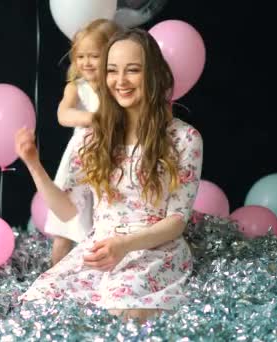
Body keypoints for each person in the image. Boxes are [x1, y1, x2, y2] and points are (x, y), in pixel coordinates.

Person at [15, 28, 203, 322]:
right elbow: (66, 211)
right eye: (112, 71)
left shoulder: (184, 139)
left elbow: (176, 221)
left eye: (133, 70)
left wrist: (125, 245)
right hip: (98, 249)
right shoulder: (94, 136)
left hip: (152, 253)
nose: (120, 81)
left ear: (153, 75)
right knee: (38, 305)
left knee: (117, 313)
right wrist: (33, 164)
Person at [46, 19, 121, 266]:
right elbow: (63, 115)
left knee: (106, 223)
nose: (86, 63)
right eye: (81, 56)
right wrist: (94, 118)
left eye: (94, 56)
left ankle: (96, 275)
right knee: (67, 224)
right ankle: (54, 278)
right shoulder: (76, 88)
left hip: (112, 160)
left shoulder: (117, 87)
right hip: (80, 163)